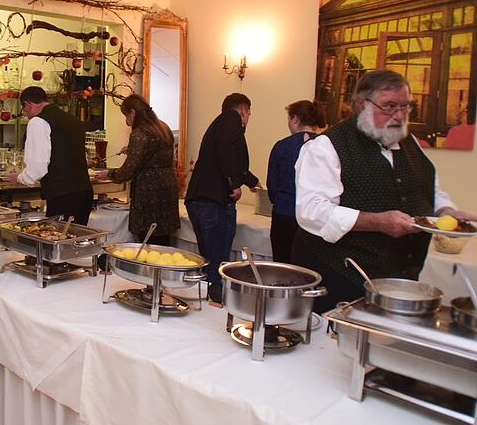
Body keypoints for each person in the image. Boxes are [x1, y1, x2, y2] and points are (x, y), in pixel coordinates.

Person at [293, 69, 477, 313]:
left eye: (405, 107)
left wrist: (447, 211)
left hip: (398, 280)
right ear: (361, 105)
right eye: (389, 106)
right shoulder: (327, 146)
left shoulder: (410, 144)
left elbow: (429, 190)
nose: (399, 116)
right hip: (340, 276)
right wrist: (376, 222)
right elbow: (311, 210)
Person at [185, 93, 261, 301]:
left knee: (209, 259)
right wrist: (233, 185)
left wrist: (252, 182)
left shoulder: (219, 124)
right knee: (217, 265)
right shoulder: (231, 118)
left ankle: (206, 302)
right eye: (249, 113)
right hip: (213, 201)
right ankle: (215, 305)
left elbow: (230, 159)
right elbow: (226, 152)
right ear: (243, 110)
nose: (248, 119)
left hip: (201, 199)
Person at [95, 95, 179, 245]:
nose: (126, 121)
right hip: (167, 188)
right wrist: (132, 149)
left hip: (149, 193)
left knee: (148, 242)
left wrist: (109, 174)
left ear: (132, 113)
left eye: (125, 116)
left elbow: (128, 171)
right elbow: (158, 153)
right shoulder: (163, 127)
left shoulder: (140, 132)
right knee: (163, 243)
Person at [4, 86, 93, 224]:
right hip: (84, 192)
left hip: (63, 196)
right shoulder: (72, 119)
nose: (26, 114)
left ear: (27, 104)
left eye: (24, 110)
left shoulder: (38, 122)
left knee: (58, 240)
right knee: (77, 240)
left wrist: (22, 178)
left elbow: (38, 166)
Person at [266, 100, 326, 263]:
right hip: (314, 218)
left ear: (295, 119)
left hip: (284, 214)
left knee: (282, 266)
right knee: (309, 268)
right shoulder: (326, 146)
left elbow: (272, 187)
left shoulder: (282, 146)